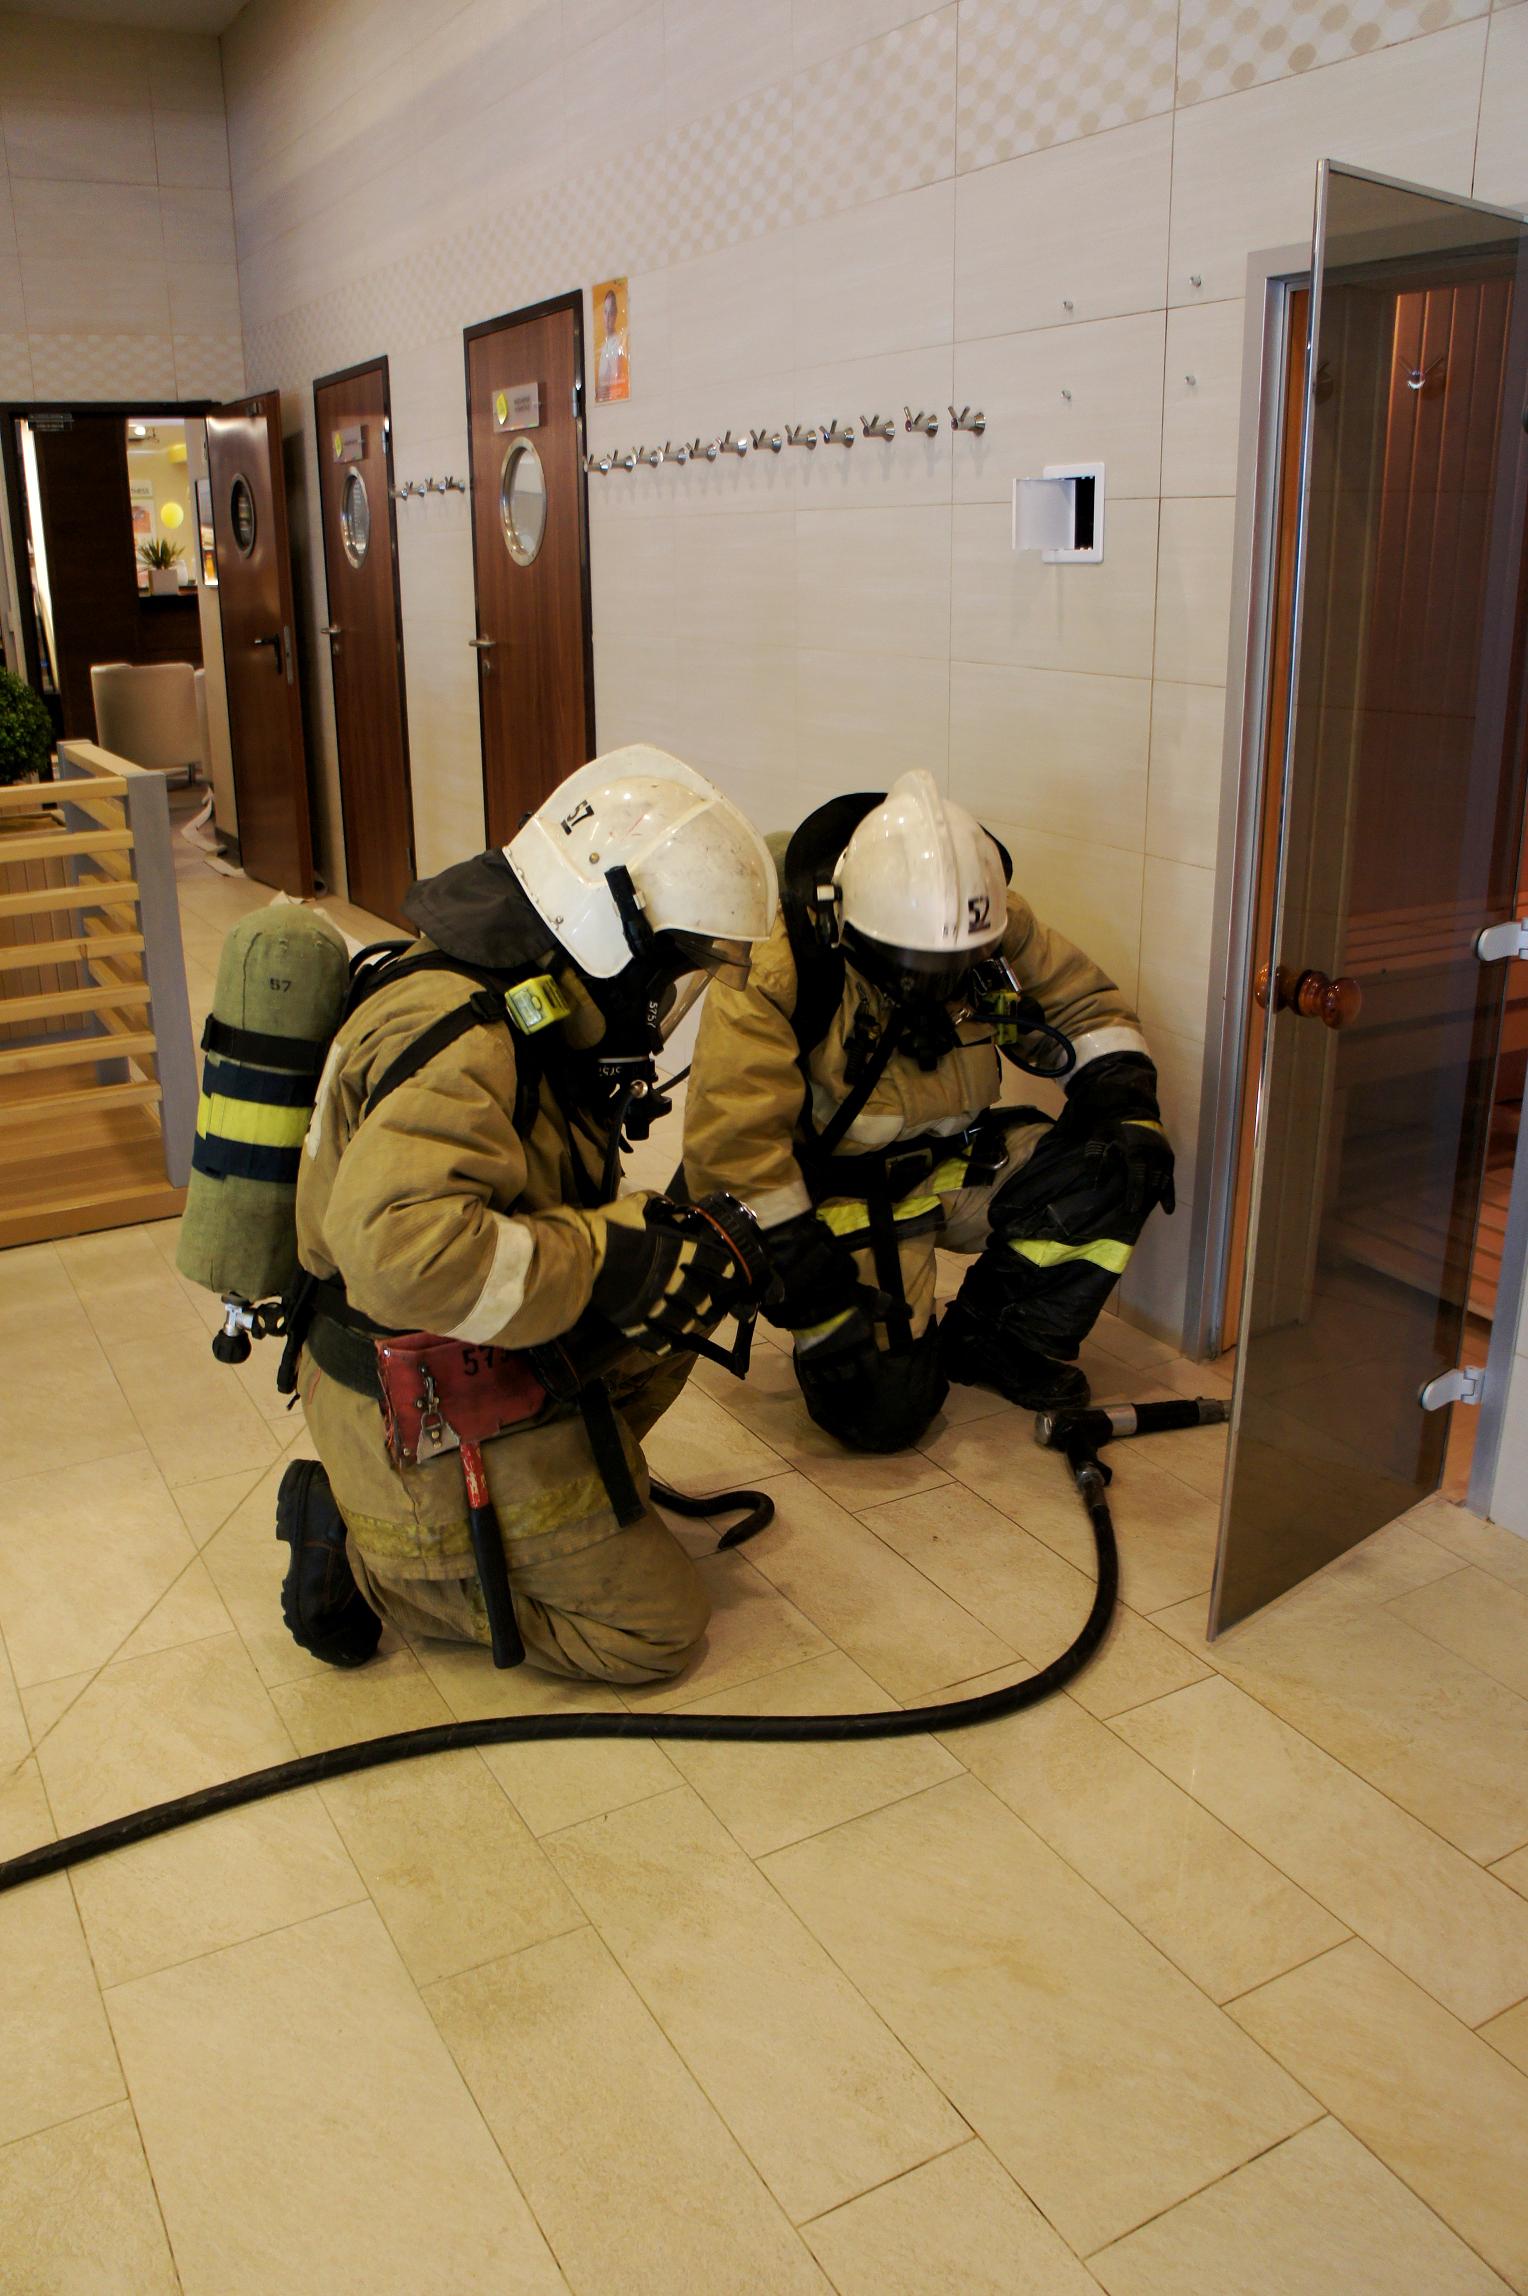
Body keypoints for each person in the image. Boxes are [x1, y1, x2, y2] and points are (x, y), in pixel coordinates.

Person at [276, 747, 777, 1681]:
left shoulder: (518, 996)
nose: (664, 1000)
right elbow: (402, 1255)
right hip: (412, 1400)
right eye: (668, 969)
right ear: (609, 922)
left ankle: (552, 1505)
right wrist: (609, 1257)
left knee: (682, 1285)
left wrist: (651, 1253)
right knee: (655, 1633)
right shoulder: (468, 1037)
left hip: (470, 1355)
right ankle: (374, 1557)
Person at [682, 770, 1175, 1453]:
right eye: (912, 962)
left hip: (955, 1164)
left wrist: (1127, 1102)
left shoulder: (989, 923)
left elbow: (1086, 1009)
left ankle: (998, 1338)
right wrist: (809, 1286)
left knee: (1116, 1161)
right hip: (839, 1199)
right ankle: (884, 1344)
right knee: (881, 1415)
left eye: (956, 963)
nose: (936, 982)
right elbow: (733, 1144)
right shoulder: (780, 961)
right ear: (851, 922)